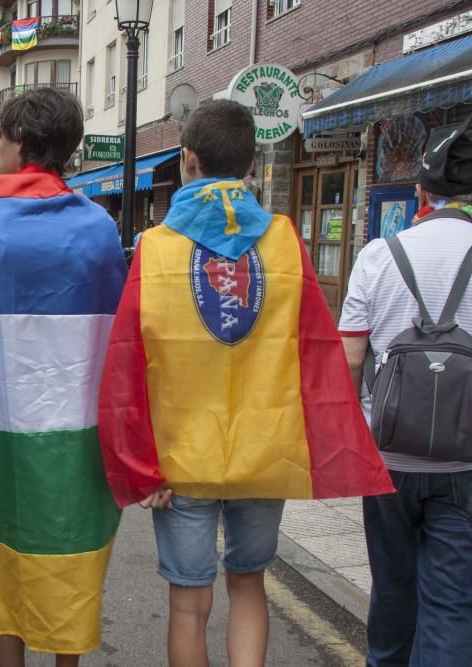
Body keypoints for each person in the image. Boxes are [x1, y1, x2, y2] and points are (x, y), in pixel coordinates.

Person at [96, 100, 393, 667]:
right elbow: (315, 351)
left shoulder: (157, 247)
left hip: (181, 456)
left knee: (188, 602)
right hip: (265, 449)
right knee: (249, 582)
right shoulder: (283, 239)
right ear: (252, 164)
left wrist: (139, 465)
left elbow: (128, 363)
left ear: (187, 159)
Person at [0, 87, 127, 666]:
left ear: (21, 143)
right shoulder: (95, 227)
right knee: (69, 537)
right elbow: (112, 328)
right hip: (69, 419)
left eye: (0, 141)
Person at [339, 118, 472, 666]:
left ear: (421, 195)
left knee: (392, 592)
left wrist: (349, 444)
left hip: (388, 458)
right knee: (452, 604)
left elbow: (349, 359)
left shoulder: (376, 257)